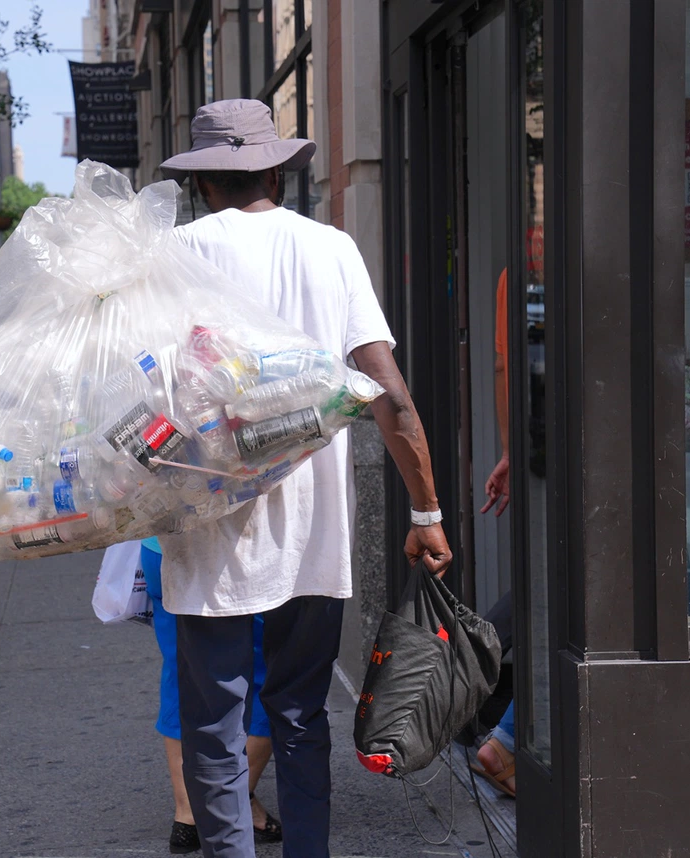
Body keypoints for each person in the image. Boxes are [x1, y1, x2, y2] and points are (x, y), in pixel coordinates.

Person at [156, 98, 451, 858]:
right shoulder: (331, 249)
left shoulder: (174, 255)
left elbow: (139, 400)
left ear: (200, 185)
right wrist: (425, 512)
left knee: (214, 727)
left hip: (207, 522)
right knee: (299, 714)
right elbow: (390, 394)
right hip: (313, 532)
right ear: (280, 175)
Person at [140, 536, 282, 853]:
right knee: (268, 678)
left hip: (160, 548)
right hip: (230, 552)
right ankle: (230, 799)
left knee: (181, 672)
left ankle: (187, 814)